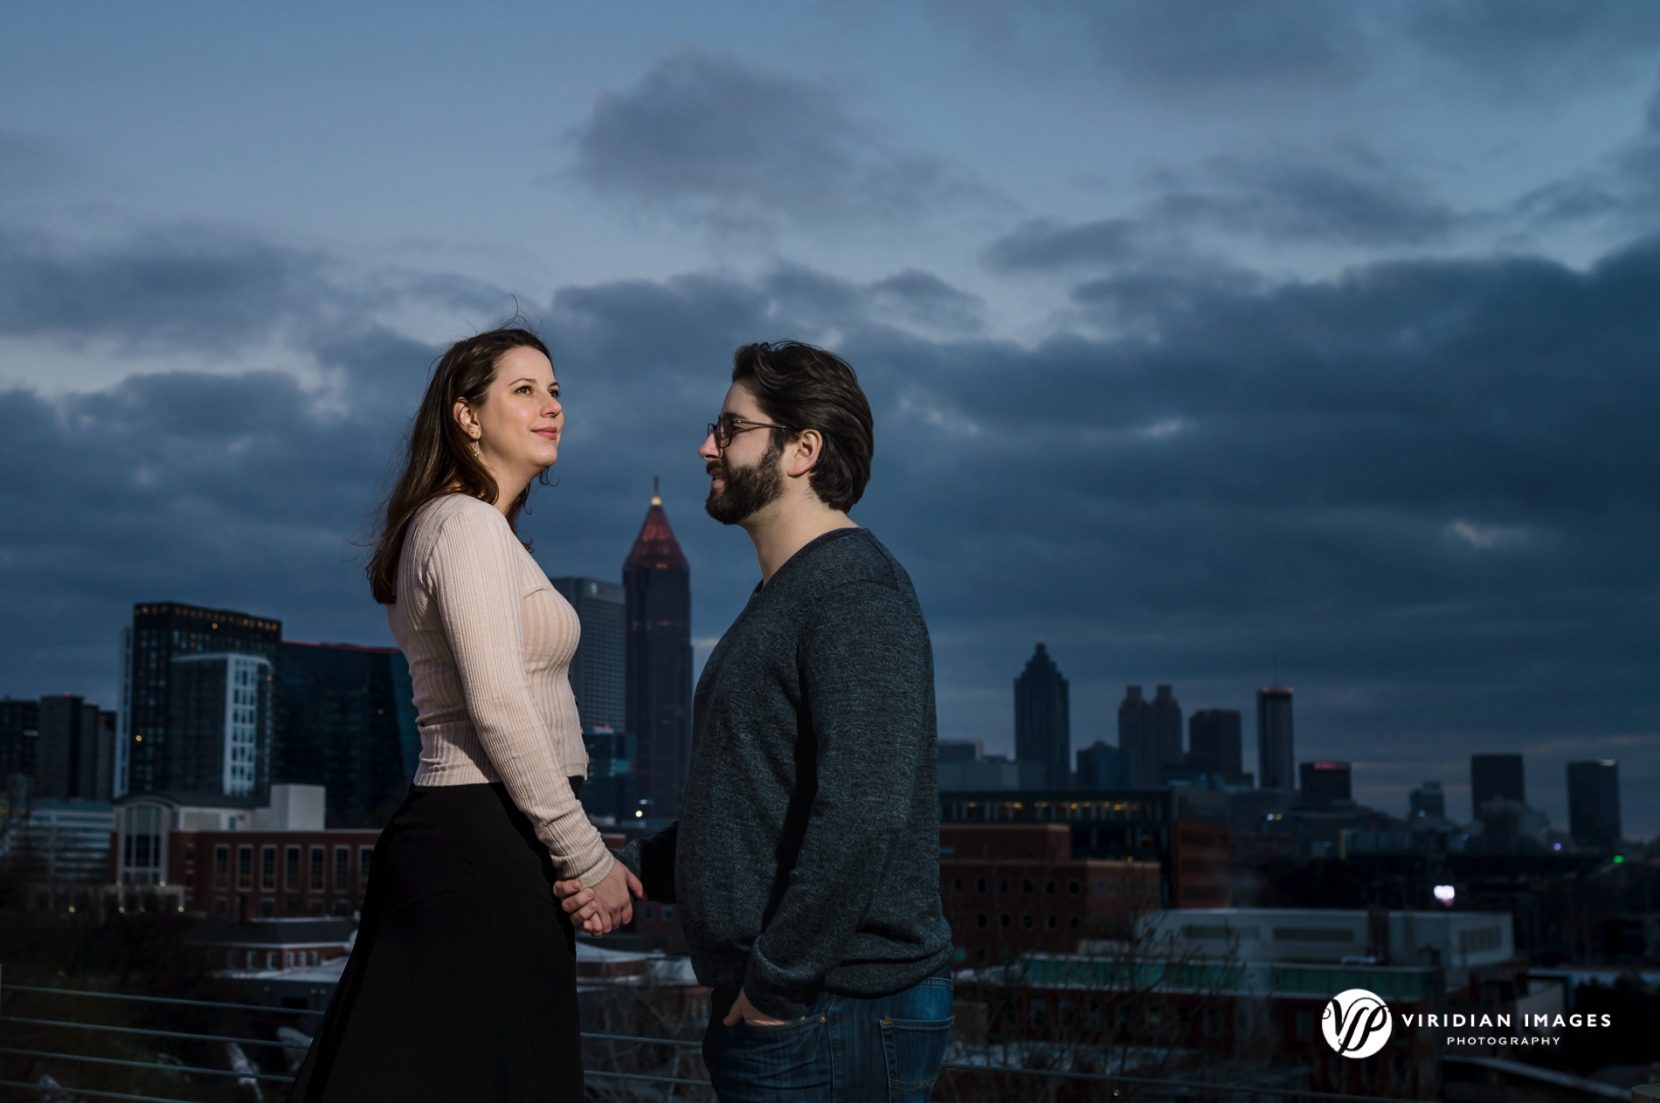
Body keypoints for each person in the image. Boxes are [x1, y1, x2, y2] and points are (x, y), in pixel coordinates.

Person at [558, 341, 954, 1102]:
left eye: (731, 428)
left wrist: (777, 985)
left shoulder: (855, 591)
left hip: (835, 1009)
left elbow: (864, 813)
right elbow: (756, 803)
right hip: (805, 1007)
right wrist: (634, 865)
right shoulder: (786, 595)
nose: (707, 446)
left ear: (802, 449)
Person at [287, 326, 640, 1102]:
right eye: (524, 390)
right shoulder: (466, 525)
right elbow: (499, 707)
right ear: (466, 416)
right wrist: (587, 858)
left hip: (484, 837)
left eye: (555, 391)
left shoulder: (471, 529)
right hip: (484, 840)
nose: (551, 407)